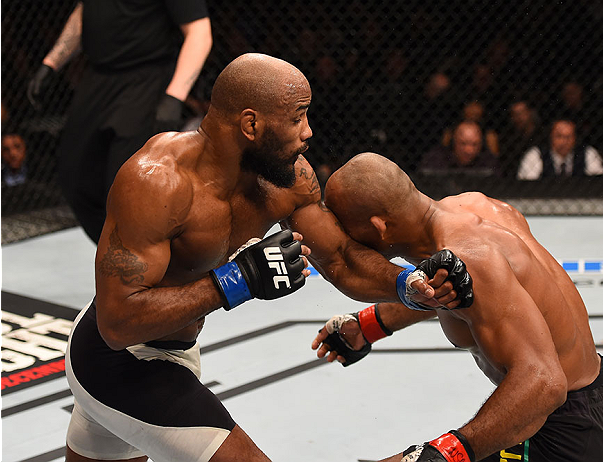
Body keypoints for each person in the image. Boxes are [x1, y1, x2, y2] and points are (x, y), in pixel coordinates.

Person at [64, 54, 472, 462]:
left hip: (173, 350)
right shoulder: (156, 182)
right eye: (297, 118)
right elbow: (117, 324)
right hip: (115, 361)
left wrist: (408, 286)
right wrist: (235, 280)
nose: (308, 132)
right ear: (251, 125)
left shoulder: (288, 177)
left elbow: (342, 258)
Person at [312, 152, 603, 462]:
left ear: (379, 226)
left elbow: (545, 382)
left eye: (346, 229)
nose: (345, 240)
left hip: (566, 434)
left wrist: (445, 453)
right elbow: (476, 292)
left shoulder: (470, 257)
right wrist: (371, 324)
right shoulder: (474, 206)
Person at [27, 0, 213, 243]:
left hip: (144, 79)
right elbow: (85, 12)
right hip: (98, 78)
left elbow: (199, 32)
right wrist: (51, 63)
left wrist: (173, 96)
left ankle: (141, 267)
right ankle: (119, 254)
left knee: (128, 188)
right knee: (74, 177)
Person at [517, 119, 603, 180]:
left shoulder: (587, 153)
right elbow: (527, 184)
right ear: (551, 137)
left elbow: (600, 181)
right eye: (559, 136)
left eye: (568, 137)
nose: (564, 141)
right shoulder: (536, 154)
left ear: (575, 139)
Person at [419, 120, 498, 177]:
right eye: (463, 143)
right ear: (454, 141)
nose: (469, 150)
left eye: (475, 144)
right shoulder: (436, 159)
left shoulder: (489, 161)